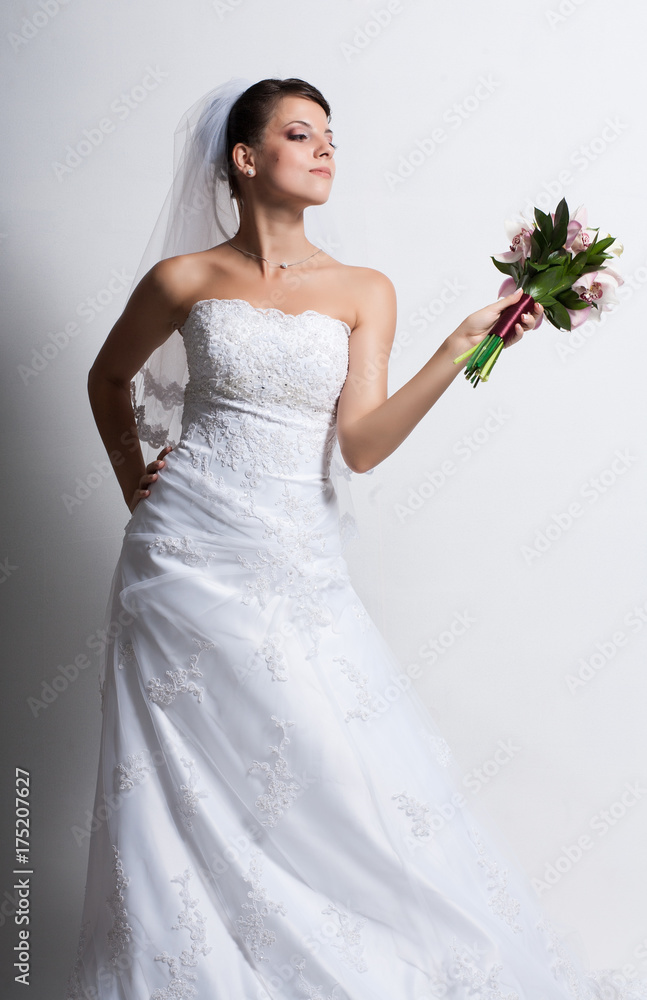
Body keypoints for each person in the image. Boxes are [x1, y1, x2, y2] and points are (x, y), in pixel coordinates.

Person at [65, 77, 643, 1000]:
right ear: (244, 159)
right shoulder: (184, 279)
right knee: (175, 784)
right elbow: (106, 379)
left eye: (331, 134)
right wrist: (136, 482)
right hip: (180, 558)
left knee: (328, 772)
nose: (326, 148)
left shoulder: (363, 289)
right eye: (301, 134)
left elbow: (362, 446)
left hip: (296, 561)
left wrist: (458, 347)